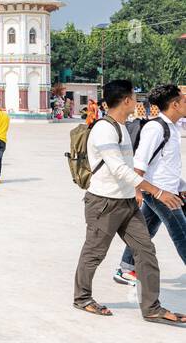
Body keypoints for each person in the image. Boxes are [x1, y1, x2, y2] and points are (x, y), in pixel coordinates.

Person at [73, 79, 183, 324]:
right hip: (104, 202)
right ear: (125, 100)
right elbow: (118, 169)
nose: (137, 101)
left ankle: (151, 307)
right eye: (134, 97)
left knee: (145, 252)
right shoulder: (104, 128)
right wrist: (156, 191)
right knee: (94, 252)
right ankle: (82, 297)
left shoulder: (122, 127)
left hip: (126, 202)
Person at [115, 84, 186, 287]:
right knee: (182, 233)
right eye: (184, 100)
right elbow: (139, 163)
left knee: (145, 230)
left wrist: (181, 185)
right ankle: (126, 267)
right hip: (159, 193)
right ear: (174, 104)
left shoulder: (172, 128)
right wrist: (138, 190)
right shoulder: (155, 128)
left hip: (168, 190)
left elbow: (165, 165)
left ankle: (126, 268)